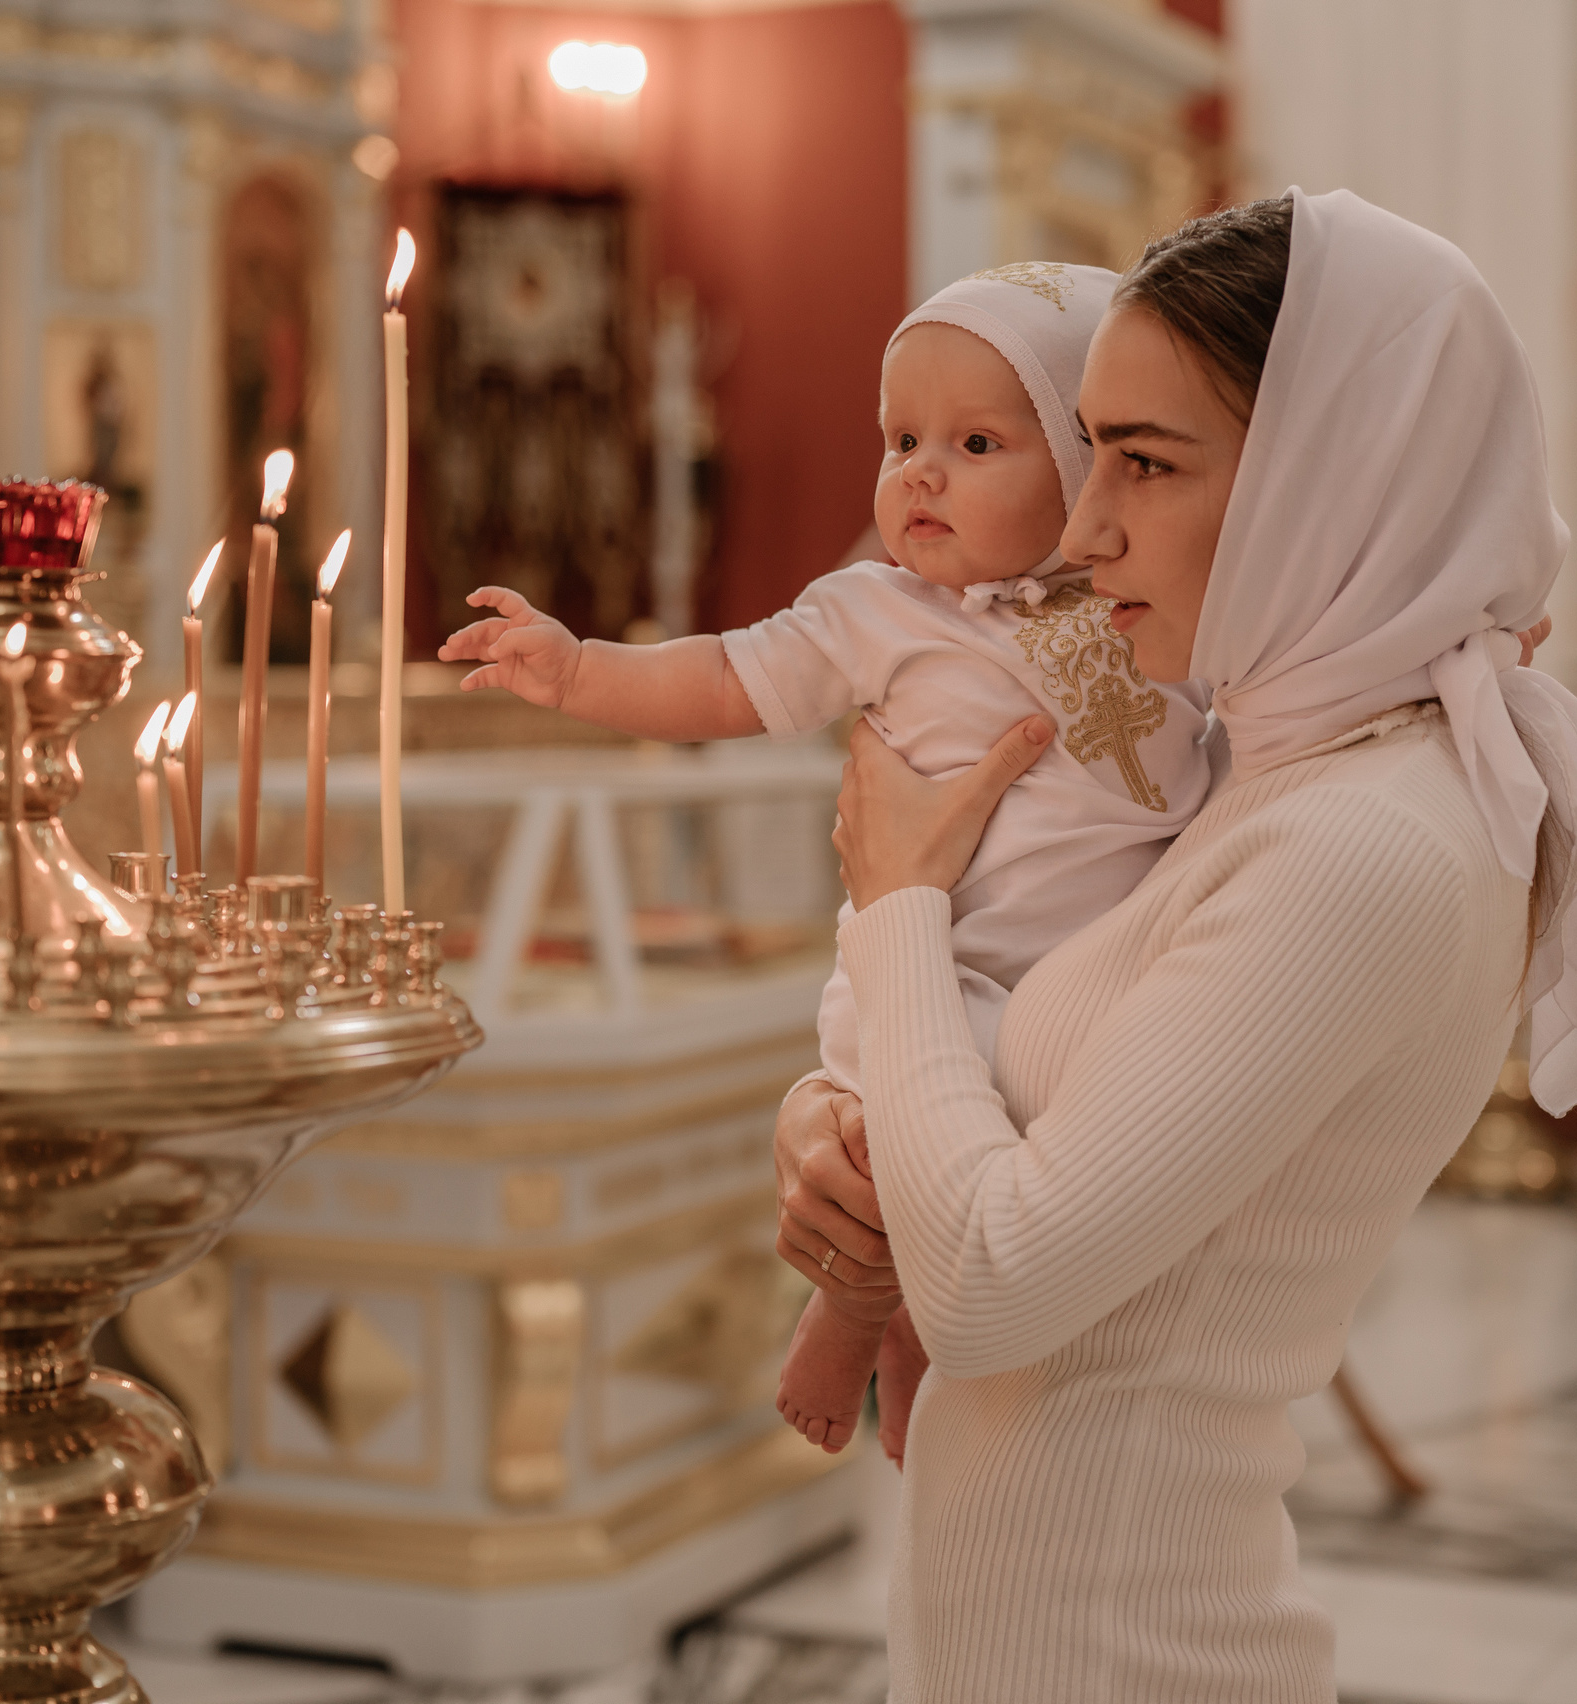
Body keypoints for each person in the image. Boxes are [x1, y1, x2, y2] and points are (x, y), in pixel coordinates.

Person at [771, 190, 1577, 1702]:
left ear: (1332, 479)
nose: (1082, 526)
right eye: (1086, 449)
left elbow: (989, 1285)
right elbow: (1033, 1081)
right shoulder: (1272, 765)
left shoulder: (1363, 840)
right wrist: (837, 1131)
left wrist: (898, 902)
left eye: (1148, 462)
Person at [439, 264, 1212, 1460]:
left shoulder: (1146, 609)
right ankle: (854, 1312)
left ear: (1086, 463)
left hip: (1092, 988)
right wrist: (583, 669)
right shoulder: (879, 613)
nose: (920, 473)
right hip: (937, 967)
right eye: (900, 440)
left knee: (1005, 1192)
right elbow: (724, 677)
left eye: (974, 443)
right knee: (896, 1144)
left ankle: (910, 1330)